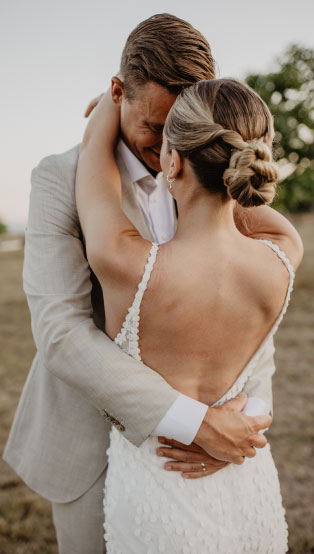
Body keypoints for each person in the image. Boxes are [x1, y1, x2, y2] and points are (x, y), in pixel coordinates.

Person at [4, 14, 286, 554]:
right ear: (117, 93)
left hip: (207, 460)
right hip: (89, 446)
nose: (166, 148)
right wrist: (193, 422)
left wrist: (245, 419)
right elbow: (61, 332)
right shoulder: (59, 179)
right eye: (154, 126)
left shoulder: (215, 175)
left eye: (179, 128)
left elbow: (257, 304)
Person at [75, 78, 303, 553]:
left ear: (172, 160)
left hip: (158, 498)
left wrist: (103, 116)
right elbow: (253, 209)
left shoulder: (125, 262)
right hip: (244, 481)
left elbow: (94, 177)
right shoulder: (283, 255)